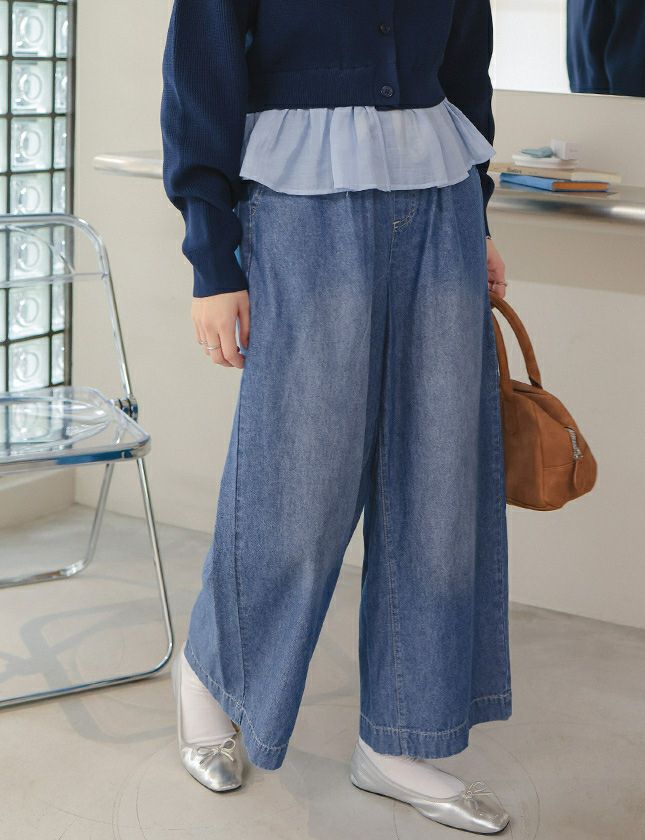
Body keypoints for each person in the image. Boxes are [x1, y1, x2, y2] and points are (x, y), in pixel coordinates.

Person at [160, 0, 512, 833]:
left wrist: (478, 213)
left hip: (441, 204)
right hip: (301, 206)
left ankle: (399, 737)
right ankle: (211, 676)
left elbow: (466, 69)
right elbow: (200, 76)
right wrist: (213, 260)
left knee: (438, 488)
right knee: (299, 482)